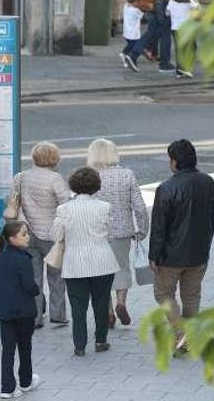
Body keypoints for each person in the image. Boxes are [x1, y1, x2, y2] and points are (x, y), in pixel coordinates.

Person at [149, 139, 214, 353]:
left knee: (163, 293)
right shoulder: (208, 182)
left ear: (174, 162)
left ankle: (180, 335)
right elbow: (213, 217)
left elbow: (159, 227)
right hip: (198, 252)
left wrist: (154, 255)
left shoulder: (166, 188)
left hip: (171, 256)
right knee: (191, 295)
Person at [51, 167, 120, 356]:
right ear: (96, 186)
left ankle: (79, 345)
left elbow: (55, 235)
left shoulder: (64, 209)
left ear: (73, 186)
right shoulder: (104, 207)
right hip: (102, 260)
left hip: (74, 262)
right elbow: (112, 233)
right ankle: (101, 340)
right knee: (101, 301)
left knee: (78, 305)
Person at [87, 139, 149, 328]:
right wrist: (142, 229)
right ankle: (121, 303)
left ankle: (108, 313)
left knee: (101, 272)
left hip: (97, 231)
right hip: (123, 231)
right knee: (121, 268)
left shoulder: (90, 176)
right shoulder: (126, 174)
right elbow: (139, 206)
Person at [13, 142, 70, 328]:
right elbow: (65, 204)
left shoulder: (23, 177)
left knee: (34, 277)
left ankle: (35, 316)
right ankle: (58, 314)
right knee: (57, 277)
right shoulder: (55, 179)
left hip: (28, 233)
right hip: (52, 235)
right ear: (54, 158)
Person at [0, 221, 42, 399]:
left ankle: (7, 387)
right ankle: (26, 381)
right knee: (25, 346)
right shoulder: (23, 259)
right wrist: (36, 291)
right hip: (23, 310)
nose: (27, 237)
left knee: (7, 349)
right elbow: (29, 285)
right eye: (24, 234)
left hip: (4, 310)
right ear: (12, 239)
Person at [166, 0, 200, 79]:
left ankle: (179, 71)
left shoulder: (172, 1)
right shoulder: (190, 3)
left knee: (179, 49)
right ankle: (187, 68)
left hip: (175, 28)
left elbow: (167, 13)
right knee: (192, 48)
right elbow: (200, 10)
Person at [119, 0, 144, 70]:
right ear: (136, 1)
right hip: (134, 34)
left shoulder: (126, 6)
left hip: (127, 32)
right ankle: (127, 55)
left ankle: (124, 54)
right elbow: (141, 16)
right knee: (135, 45)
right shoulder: (135, 11)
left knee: (130, 45)